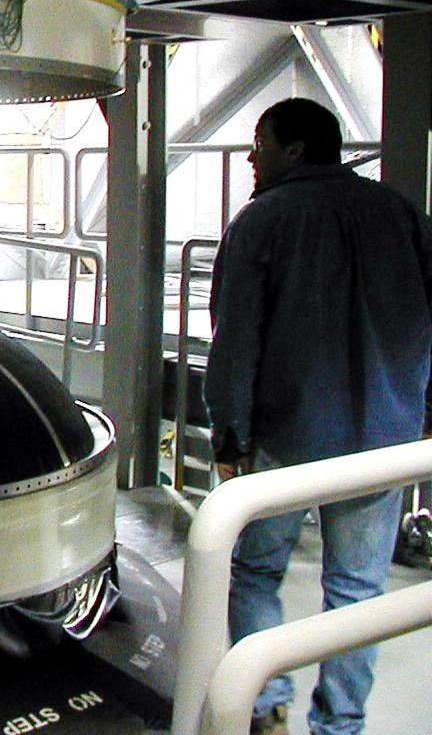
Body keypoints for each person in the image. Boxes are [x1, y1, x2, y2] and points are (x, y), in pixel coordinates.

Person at [204, 98, 432, 735]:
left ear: (295, 151)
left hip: (288, 439)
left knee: (255, 571)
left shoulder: (262, 221)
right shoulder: (403, 214)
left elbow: (236, 337)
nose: (252, 158)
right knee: (358, 593)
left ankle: (266, 704)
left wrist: (229, 434)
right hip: (386, 442)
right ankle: (340, 725)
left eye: (261, 144)